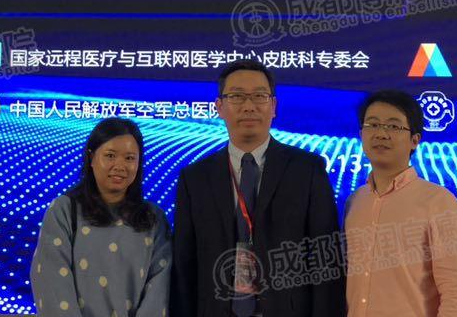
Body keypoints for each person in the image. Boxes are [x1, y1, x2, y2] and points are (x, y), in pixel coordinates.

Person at [171, 59, 345, 317]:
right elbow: (184, 264)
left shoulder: (307, 169)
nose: (249, 106)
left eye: (259, 96)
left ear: (273, 106)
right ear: (219, 107)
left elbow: (326, 259)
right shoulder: (195, 178)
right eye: (237, 96)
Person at [344, 90, 457, 316]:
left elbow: (456, 293)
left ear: (415, 140)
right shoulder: (355, 202)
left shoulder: (438, 202)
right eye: (372, 125)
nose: (381, 134)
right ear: (361, 134)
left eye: (393, 126)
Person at [31, 118, 171, 316]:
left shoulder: (154, 219)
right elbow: (51, 281)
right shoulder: (64, 210)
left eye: (129, 158)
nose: (120, 165)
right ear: (91, 158)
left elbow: (160, 290)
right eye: (110, 155)